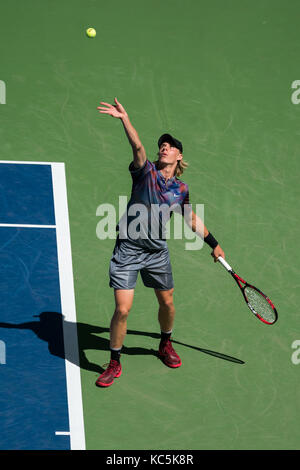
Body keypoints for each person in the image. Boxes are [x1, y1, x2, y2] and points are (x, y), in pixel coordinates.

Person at [95, 98, 225, 387]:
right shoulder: (145, 172)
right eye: (162, 146)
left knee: (167, 302)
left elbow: (191, 220)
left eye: (170, 146)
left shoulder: (181, 190)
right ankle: (114, 362)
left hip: (156, 252)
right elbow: (138, 148)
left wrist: (214, 244)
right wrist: (124, 119)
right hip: (128, 249)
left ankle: (165, 343)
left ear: (179, 156)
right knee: (123, 309)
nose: (163, 147)